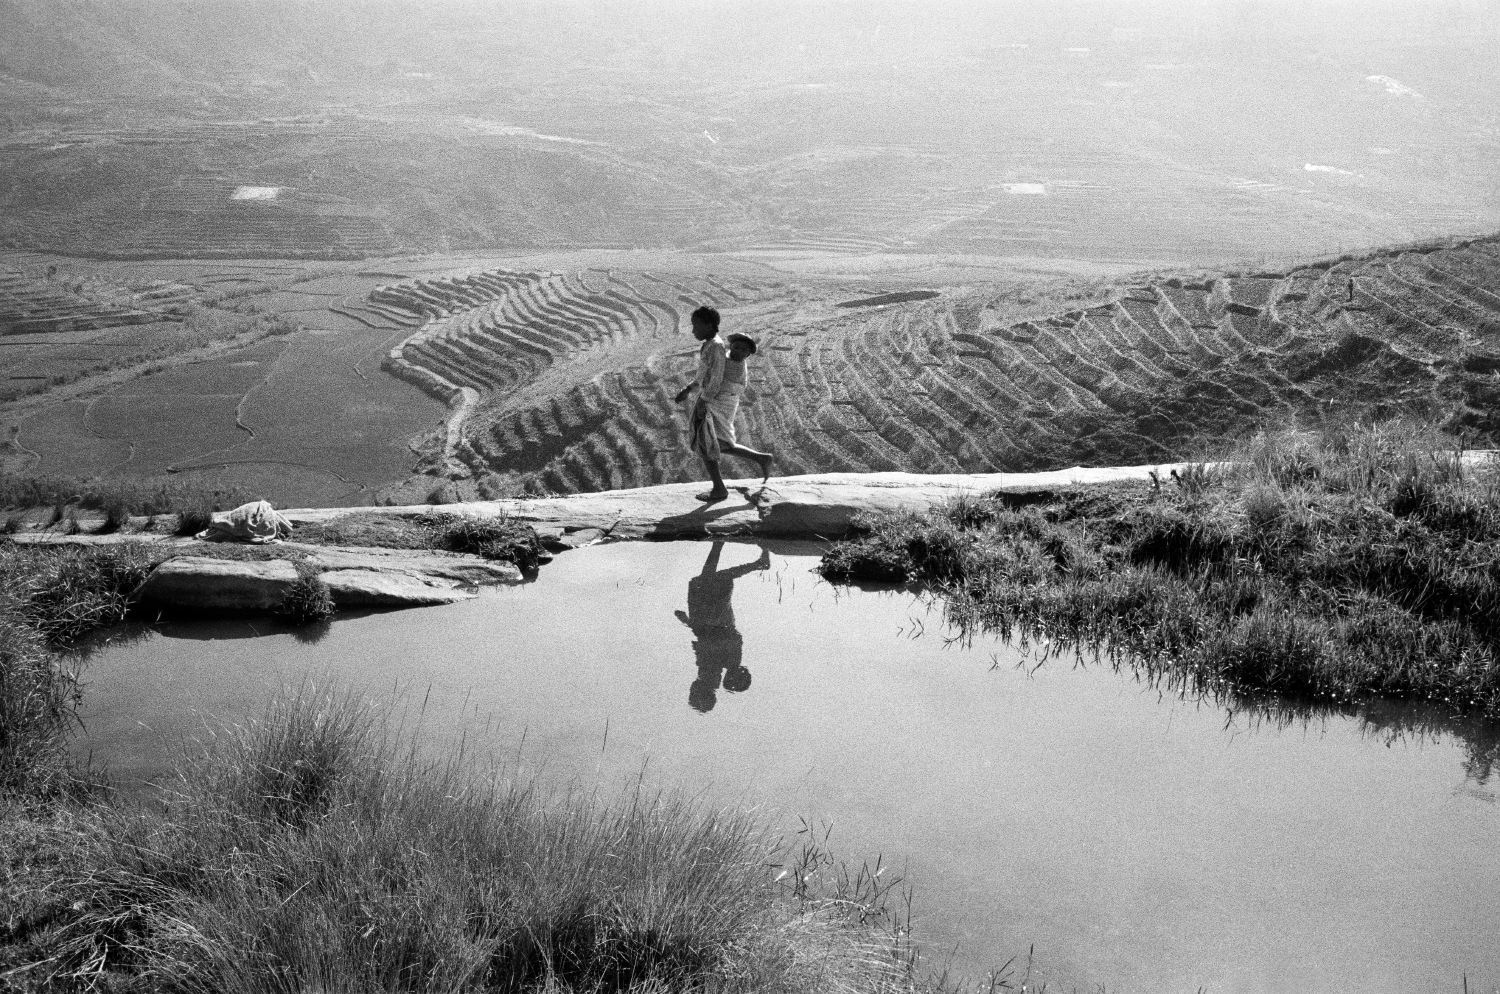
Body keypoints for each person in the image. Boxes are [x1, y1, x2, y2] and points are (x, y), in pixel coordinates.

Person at [672, 306, 774, 501]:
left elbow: (716, 378)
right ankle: (761, 458)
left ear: (709, 325)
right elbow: (705, 375)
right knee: (719, 443)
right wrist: (688, 390)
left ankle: (719, 489)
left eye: (696, 326)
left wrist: (703, 400)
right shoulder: (712, 345)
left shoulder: (716, 347)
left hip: (714, 402)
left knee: (706, 443)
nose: (693, 331)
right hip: (712, 399)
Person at [674, 541, 770, 713]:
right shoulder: (711, 677)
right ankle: (739, 555)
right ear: (698, 691)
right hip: (712, 621)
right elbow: (718, 644)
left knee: (708, 579)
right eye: (693, 692)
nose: (691, 688)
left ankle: (724, 548)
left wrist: (688, 622)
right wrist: (691, 623)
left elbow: (708, 646)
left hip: (708, 622)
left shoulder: (711, 677)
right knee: (711, 579)